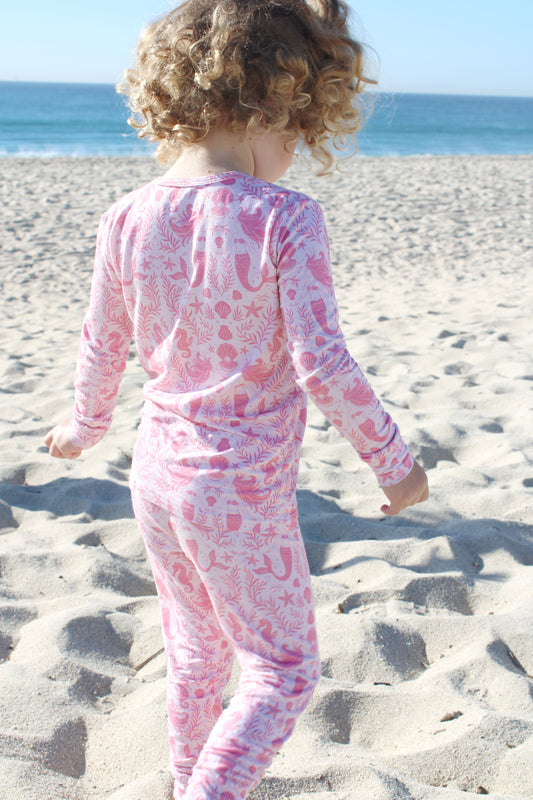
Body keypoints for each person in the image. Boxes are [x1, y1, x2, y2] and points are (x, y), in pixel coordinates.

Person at [44, 1, 428, 797]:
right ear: (269, 105)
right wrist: (394, 464)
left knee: (195, 654)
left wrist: (82, 426)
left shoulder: (126, 216)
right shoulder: (284, 217)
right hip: (238, 494)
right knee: (282, 670)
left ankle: (189, 776)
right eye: (298, 129)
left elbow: (101, 341)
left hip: (154, 478)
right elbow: (322, 364)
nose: (296, 151)